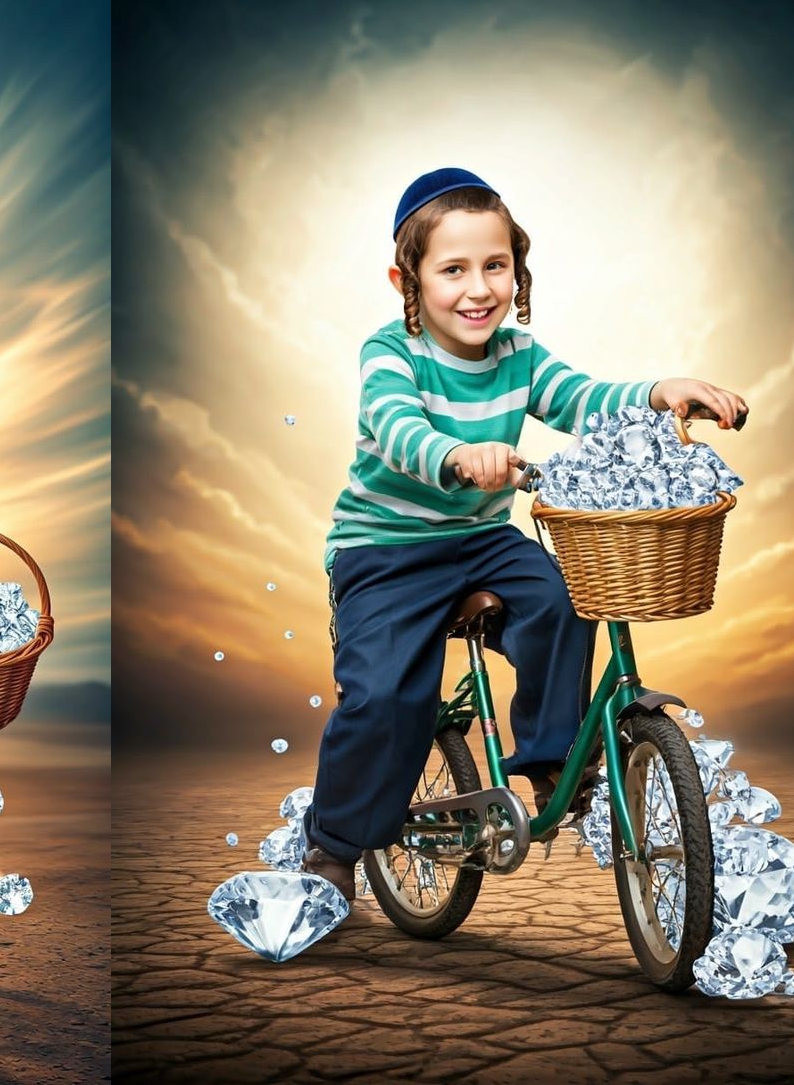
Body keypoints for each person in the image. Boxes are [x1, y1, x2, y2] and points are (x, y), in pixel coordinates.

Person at [300, 167, 747, 916]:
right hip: (385, 549)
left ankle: (548, 758)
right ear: (406, 280)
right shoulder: (391, 352)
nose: (479, 289)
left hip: (481, 539)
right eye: (453, 270)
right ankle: (333, 848)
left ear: (518, 269)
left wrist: (659, 392)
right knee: (384, 698)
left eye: (496, 266)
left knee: (564, 598)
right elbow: (396, 426)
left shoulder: (518, 355)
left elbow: (583, 399)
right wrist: (454, 454)